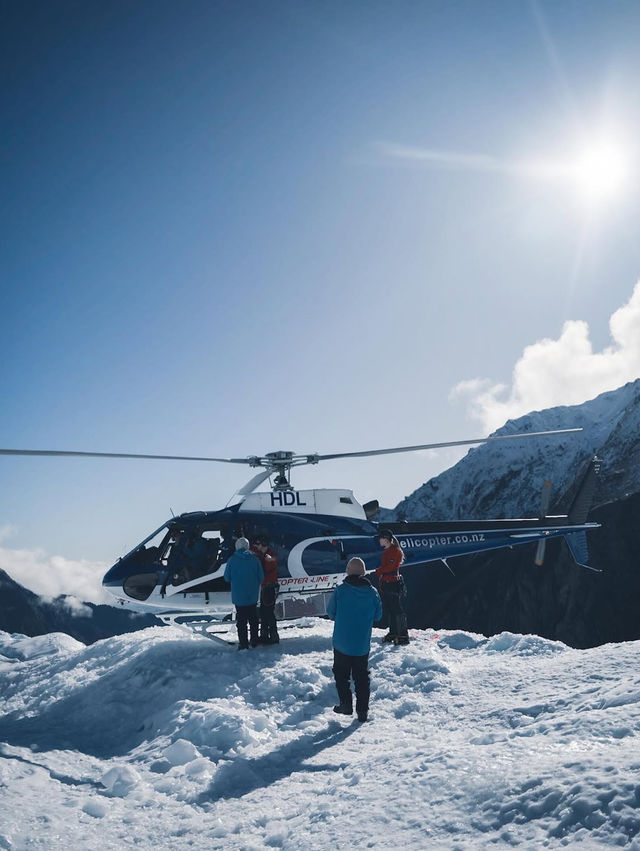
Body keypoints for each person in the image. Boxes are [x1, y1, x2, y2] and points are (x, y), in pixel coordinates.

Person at [327, 557, 382, 723]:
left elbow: (330, 612)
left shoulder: (340, 590)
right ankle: (363, 711)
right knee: (362, 677)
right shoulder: (372, 592)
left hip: (341, 642)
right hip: (361, 644)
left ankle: (345, 705)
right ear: (364, 573)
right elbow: (378, 616)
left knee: (341, 674)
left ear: (348, 571)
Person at [224, 537, 264, 649]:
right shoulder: (255, 559)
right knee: (253, 620)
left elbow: (226, 577)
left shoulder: (232, 560)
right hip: (252, 596)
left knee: (241, 622)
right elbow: (261, 577)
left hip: (238, 597)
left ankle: (243, 643)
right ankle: (254, 641)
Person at [375, 529, 410, 645]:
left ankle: (403, 635)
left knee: (396, 608)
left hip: (392, 584)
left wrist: (378, 571)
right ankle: (394, 632)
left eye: (381, 538)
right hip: (386, 584)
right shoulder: (389, 551)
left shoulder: (395, 551)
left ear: (386, 539)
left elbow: (391, 567)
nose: (379, 540)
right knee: (390, 609)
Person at [251, 537, 280, 644]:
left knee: (268, 612)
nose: (259, 547)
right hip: (266, 587)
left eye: (260, 545)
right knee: (264, 612)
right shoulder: (262, 554)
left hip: (269, 587)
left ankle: (272, 635)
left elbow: (272, 560)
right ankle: (265, 634)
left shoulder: (269, 556)